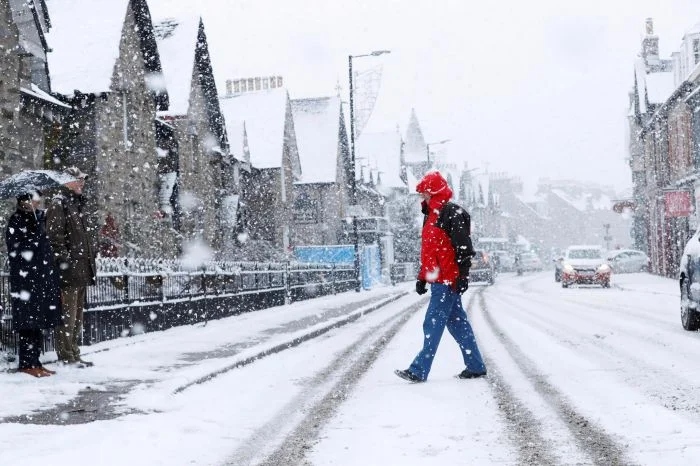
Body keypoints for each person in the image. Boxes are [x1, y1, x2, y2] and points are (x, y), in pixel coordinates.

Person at [395, 170, 486, 383]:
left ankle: (419, 369)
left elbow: (464, 249)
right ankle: (475, 366)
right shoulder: (430, 216)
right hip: (439, 279)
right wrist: (422, 277)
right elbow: (429, 252)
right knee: (457, 324)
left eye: (425, 194)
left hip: (448, 280)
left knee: (432, 323)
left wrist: (462, 276)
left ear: (434, 193)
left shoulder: (452, 214)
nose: (422, 198)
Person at [5, 191, 61, 377]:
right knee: (27, 323)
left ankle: (36, 361)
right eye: (32, 200)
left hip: (38, 280)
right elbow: (17, 249)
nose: (35, 203)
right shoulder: (16, 220)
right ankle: (27, 363)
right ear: (24, 202)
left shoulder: (37, 220)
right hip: (25, 281)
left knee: (37, 322)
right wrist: (35, 237)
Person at [46, 166, 97, 367]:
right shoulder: (59, 204)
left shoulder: (75, 205)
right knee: (68, 316)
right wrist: (64, 262)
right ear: (67, 182)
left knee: (77, 317)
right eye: (78, 179)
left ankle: (74, 353)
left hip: (81, 270)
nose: (82, 183)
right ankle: (67, 355)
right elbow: (54, 238)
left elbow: (81, 239)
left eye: (83, 179)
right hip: (69, 272)